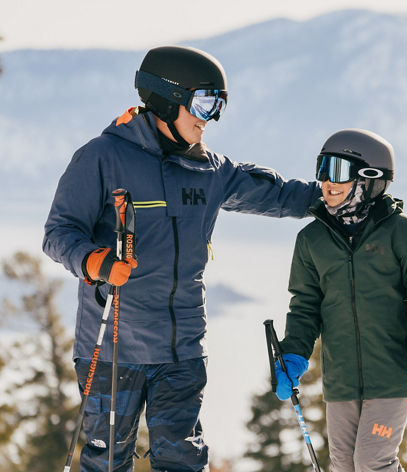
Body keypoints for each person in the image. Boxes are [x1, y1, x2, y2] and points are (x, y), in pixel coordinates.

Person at [42, 45, 321, 472]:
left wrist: (332, 198)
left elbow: (277, 194)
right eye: (204, 103)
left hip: (181, 351)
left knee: (182, 461)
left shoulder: (208, 169)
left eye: (219, 106)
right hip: (116, 348)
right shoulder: (102, 157)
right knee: (108, 461)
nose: (210, 119)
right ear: (168, 97)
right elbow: (59, 233)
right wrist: (95, 261)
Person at [274, 129, 407, 472]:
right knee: (343, 465)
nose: (326, 181)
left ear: (370, 178)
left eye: (337, 171)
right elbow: (305, 305)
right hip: (341, 379)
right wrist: (293, 353)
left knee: (372, 461)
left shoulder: (405, 233)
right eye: (321, 168)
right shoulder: (312, 239)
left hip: (394, 373)